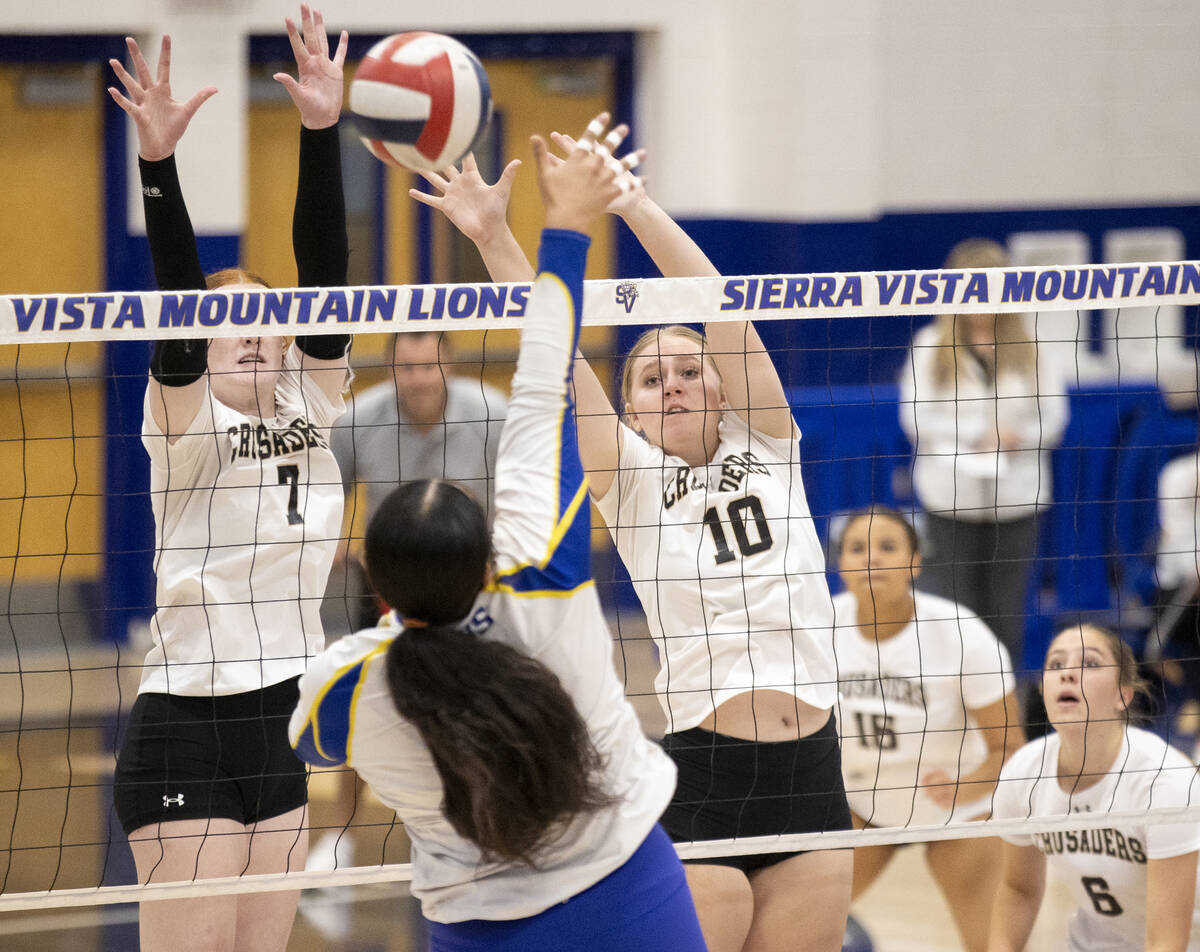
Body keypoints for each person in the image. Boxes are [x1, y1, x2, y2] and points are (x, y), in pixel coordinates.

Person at [414, 129, 852, 952]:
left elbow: (718, 303)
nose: (676, 383)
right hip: (708, 776)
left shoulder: (769, 444)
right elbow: (556, 359)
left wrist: (632, 201)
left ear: (722, 389)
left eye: (691, 370)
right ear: (635, 410)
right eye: (652, 378)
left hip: (814, 777)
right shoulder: (629, 478)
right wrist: (493, 237)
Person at [289, 115, 707, 952]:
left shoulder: (348, 682)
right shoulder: (538, 577)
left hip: (477, 924)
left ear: (380, 584)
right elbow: (544, 372)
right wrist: (563, 224)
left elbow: (314, 740)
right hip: (626, 885)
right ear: (484, 557)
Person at [107, 9, 350, 951]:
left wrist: (322, 132)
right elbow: (174, 299)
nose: (250, 329)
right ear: (202, 345)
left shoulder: (312, 399)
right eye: (227, 319)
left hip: (286, 719)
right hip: (187, 724)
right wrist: (157, 168)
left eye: (262, 315)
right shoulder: (184, 421)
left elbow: (327, 274)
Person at [311, 328, 508, 871]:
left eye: (428, 366)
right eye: (406, 367)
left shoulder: (493, 411)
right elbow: (322, 494)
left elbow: (521, 500)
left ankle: (485, 827)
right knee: (357, 704)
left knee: (479, 712)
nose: (418, 378)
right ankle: (339, 839)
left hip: (474, 590)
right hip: (385, 591)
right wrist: (333, 542)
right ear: (391, 370)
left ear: (450, 365)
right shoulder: (357, 420)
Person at [832, 506, 1023, 952]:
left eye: (887, 547)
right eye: (857, 548)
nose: (871, 559)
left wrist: (965, 788)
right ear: (841, 564)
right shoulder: (818, 624)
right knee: (798, 932)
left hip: (959, 807)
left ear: (915, 562)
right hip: (861, 805)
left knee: (994, 943)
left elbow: (1011, 748)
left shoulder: (961, 634)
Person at [898, 238, 1069, 690]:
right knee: (954, 613)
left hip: (1018, 501)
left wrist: (1019, 436)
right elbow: (914, 418)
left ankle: (1005, 719)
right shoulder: (931, 344)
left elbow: (1054, 418)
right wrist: (972, 435)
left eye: (991, 289)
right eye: (972, 289)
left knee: (1006, 616)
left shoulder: (1031, 344)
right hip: (949, 499)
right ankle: (955, 716)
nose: (982, 301)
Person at [988, 623, 1200, 952]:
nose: (1068, 673)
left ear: (1123, 694)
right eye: (1056, 664)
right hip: (1098, 942)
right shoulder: (1022, 775)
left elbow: (1167, 941)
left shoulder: (1164, 780)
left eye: (1089, 663)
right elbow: (1019, 889)